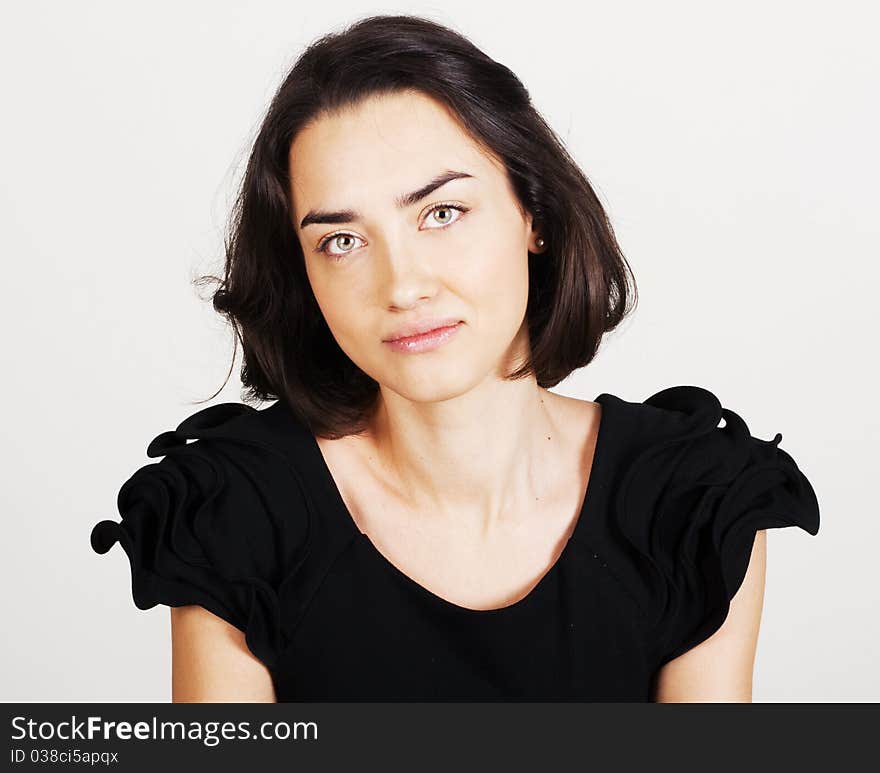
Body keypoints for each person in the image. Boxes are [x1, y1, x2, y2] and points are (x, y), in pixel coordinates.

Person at [89, 14, 820, 703]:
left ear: (534, 214)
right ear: (303, 272)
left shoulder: (691, 502)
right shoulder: (232, 516)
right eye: (342, 240)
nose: (403, 286)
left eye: (441, 213)